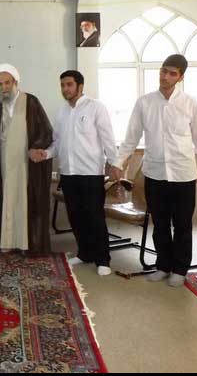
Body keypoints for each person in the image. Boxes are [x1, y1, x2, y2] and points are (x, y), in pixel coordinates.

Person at [111, 54, 197, 287]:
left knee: (182, 225)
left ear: (180, 77)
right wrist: (118, 162)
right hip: (154, 174)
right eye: (163, 71)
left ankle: (180, 269)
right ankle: (163, 265)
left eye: (172, 73)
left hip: (183, 175)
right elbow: (131, 138)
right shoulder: (144, 102)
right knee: (159, 225)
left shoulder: (191, 103)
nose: (165, 76)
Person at [41, 70, 118, 276]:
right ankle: (85, 253)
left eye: (69, 84)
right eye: (62, 85)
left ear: (80, 86)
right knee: (75, 217)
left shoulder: (96, 107)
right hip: (68, 173)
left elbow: (108, 138)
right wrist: (45, 154)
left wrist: (114, 163)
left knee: (94, 217)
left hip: (91, 173)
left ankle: (103, 259)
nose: (65, 89)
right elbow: (57, 143)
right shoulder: (61, 113)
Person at [0, 64, 53, 254]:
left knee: (24, 202)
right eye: (0, 84)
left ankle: (26, 244)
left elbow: (46, 130)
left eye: (7, 83)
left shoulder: (31, 102)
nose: (4, 87)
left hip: (26, 164)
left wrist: (36, 148)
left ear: (15, 82)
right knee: (8, 200)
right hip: (5, 164)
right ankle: (8, 241)